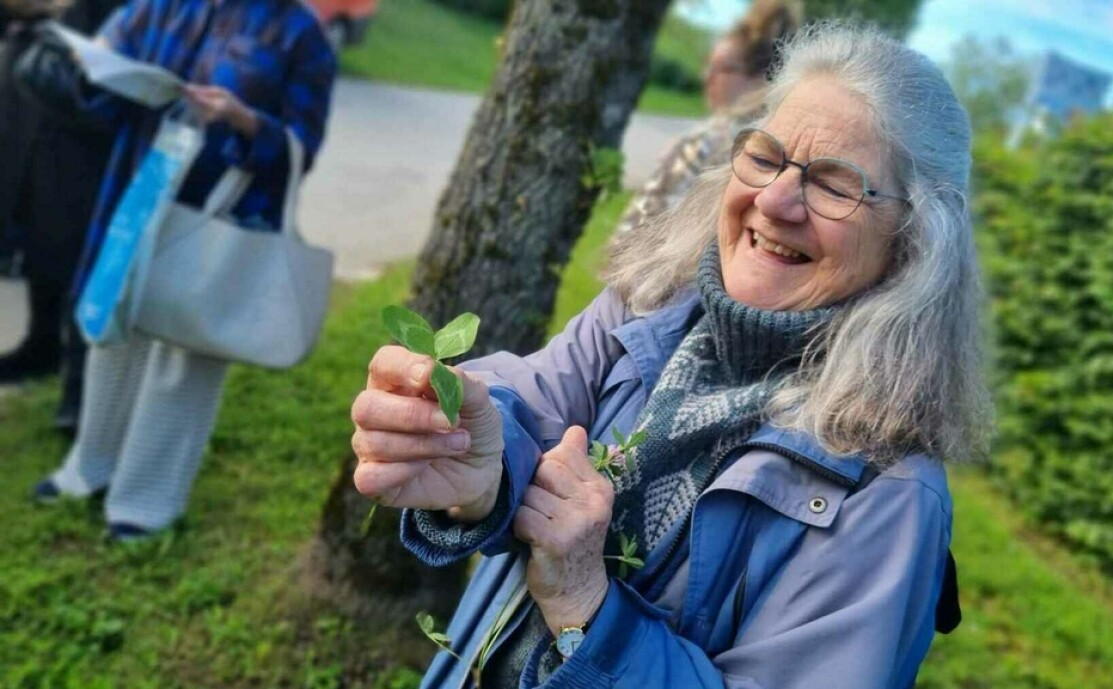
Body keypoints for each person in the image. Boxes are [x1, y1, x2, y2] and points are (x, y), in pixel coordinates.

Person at [351, 21, 990, 689]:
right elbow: (532, 400)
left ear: (915, 244)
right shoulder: (653, 304)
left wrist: (587, 611)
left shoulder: (888, 496)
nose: (774, 201)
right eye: (767, 157)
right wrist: (472, 458)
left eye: (834, 185)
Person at [25, 0, 337, 541]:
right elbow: (101, 98)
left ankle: (144, 507)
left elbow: (299, 149)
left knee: (182, 361)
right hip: (140, 193)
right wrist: (91, 66)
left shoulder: (299, 33)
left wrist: (242, 120)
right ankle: (88, 470)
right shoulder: (160, 6)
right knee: (112, 338)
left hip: (217, 213)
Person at [0, 0, 124, 433]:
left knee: (80, 252)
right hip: (32, 107)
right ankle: (41, 346)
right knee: (36, 229)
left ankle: (79, 388)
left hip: (88, 117)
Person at [615, 0, 801, 234]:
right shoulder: (792, 151)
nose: (707, 78)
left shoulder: (710, 141)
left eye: (722, 68)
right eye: (707, 66)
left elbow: (635, 231)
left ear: (762, 77)